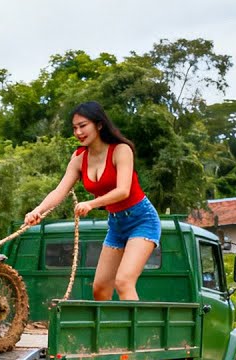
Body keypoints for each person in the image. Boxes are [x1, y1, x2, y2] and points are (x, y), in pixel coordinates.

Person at [25, 101, 162, 301]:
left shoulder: (121, 150)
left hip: (142, 219)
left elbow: (123, 191)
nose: (78, 132)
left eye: (83, 125)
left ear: (99, 125)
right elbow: (60, 190)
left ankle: (135, 333)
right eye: (74, 128)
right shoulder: (79, 158)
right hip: (116, 224)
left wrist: (91, 204)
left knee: (124, 282)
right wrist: (37, 210)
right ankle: (107, 332)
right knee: (100, 288)